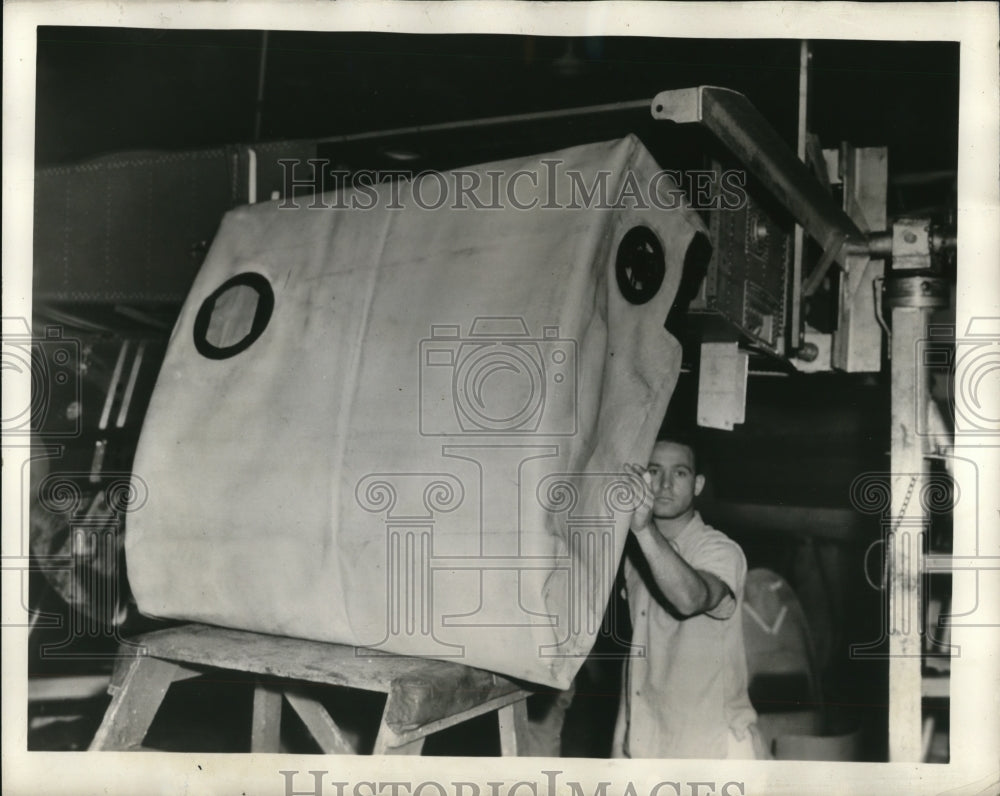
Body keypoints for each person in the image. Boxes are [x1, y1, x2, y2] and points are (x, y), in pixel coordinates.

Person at [611, 437, 767, 759]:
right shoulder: (634, 557)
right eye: (654, 471)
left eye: (680, 473)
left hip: (713, 750)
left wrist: (642, 530)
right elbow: (638, 655)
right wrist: (621, 743)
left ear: (697, 485)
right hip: (649, 743)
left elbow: (690, 599)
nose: (664, 484)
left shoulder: (720, 550)